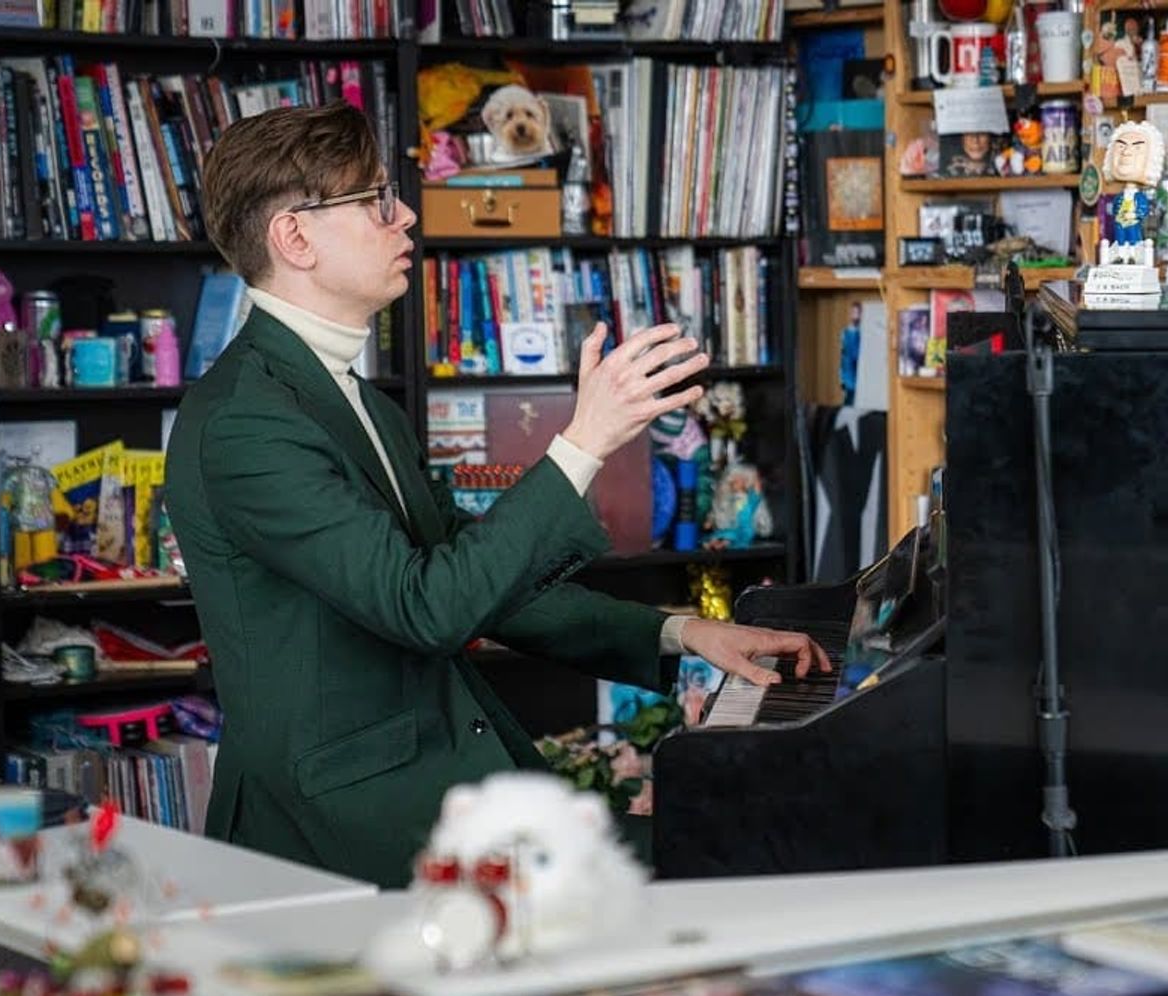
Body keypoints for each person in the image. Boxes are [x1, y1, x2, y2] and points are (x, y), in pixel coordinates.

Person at [164, 103, 828, 888]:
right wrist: (583, 440)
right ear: (295, 238)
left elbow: (483, 585)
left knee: (726, 850)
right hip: (342, 820)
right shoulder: (248, 423)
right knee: (717, 860)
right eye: (376, 199)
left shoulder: (355, 400)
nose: (405, 214)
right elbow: (428, 606)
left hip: (431, 785)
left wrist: (684, 634)